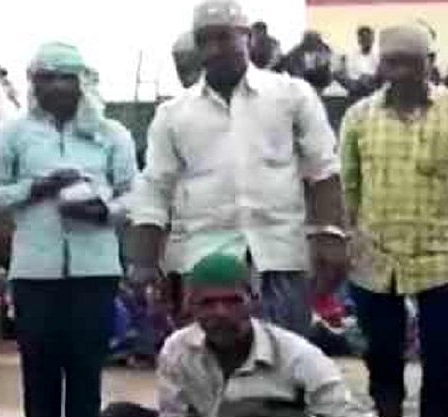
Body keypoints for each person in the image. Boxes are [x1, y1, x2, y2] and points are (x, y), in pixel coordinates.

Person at [100, 253, 382, 417]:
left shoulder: (295, 353)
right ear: (189, 306)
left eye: (233, 301)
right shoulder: (178, 348)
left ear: (254, 302)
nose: (221, 312)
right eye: (207, 303)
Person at [129, 0, 347, 338]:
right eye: (204, 40)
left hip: (280, 257)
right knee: (207, 374)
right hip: (203, 262)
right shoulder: (173, 114)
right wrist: (144, 263)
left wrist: (331, 237)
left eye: (224, 37)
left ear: (247, 37)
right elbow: (155, 189)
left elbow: (323, 171)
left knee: (282, 369)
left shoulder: (292, 95)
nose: (214, 49)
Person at [0, 43, 137, 417]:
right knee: (39, 360)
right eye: (44, 78)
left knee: (87, 359)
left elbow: (134, 193)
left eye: (65, 77)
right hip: (35, 269)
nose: (55, 87)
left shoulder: (111, 134)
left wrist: (103, 210)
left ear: (82, 82)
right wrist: (35, 189)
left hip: (95, 266)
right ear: (34, 84)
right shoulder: (14, 134)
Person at [340, 23, 448, 417]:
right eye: (392, 62)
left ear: (430, 62)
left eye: (411, 62)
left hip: (441, 253)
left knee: (441, 358)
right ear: (382, 65)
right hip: (375, 258)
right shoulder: (359, 117)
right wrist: (344, 242)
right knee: (382, 359)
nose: (401, 72)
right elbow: (347, 188)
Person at [282, 31, 336, 95]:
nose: (311, 43)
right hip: (303, 78)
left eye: (313, 40)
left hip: (319, 78)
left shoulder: (324, 50)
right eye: (309, 40)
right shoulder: (296, 51)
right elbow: (289, 64)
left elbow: (328, 65)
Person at [338, 26, 379, 101]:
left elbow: (380, 74)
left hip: (373, 91)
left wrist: (368, 79)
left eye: (368, 38)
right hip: (356, 91)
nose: (366, 41)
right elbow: (349, 74)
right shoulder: (351, 55)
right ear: (359, 40)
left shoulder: (379, 55)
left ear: (372, 39)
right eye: (363, 38)